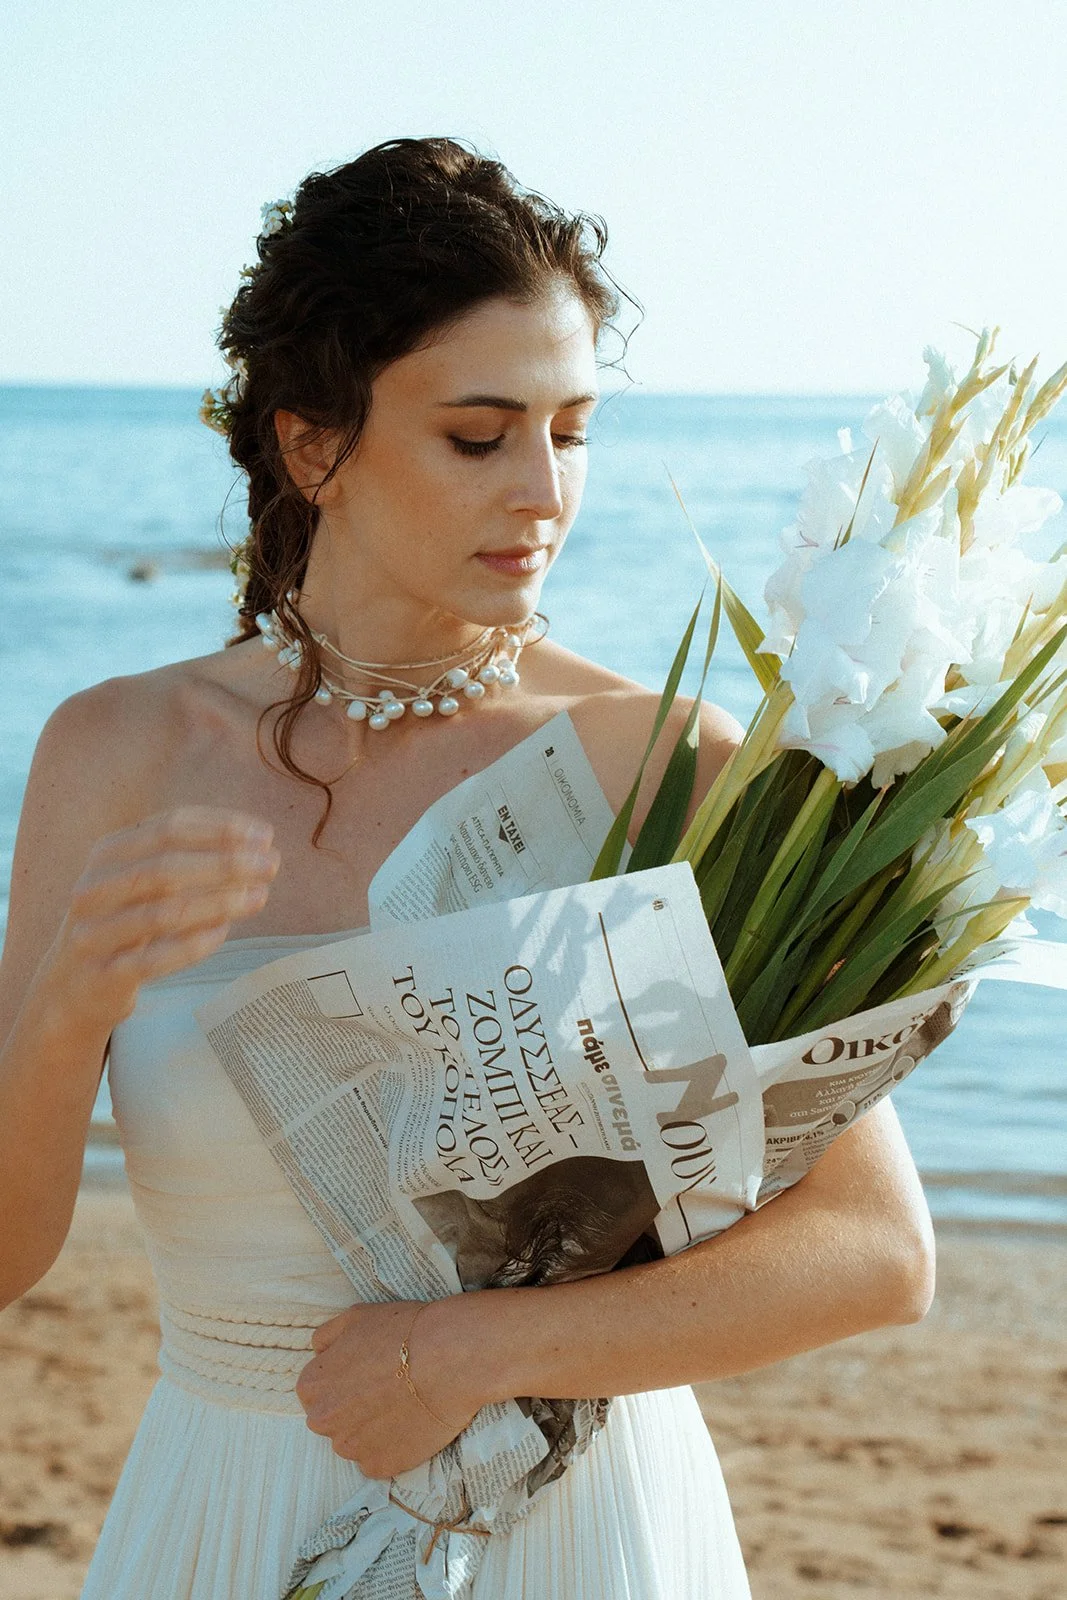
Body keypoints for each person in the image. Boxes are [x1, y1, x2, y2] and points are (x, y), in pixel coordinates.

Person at [0, 136, 937, 1599]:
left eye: (572, 430)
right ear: (314, 444)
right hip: (224, 1510)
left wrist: (466, 1352)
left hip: (583, 1532)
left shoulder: (657, 763)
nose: (546, 490)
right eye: (478, 433)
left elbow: (870, 1252)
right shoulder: (113, 752)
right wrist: (59, 1017)